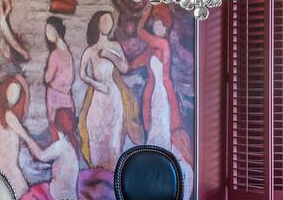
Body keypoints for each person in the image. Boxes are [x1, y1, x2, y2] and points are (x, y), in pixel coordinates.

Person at [78, 11, 127, 168]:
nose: (108, 23)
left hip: (113, 95)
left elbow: (124, 68)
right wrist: (96, 85)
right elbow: (82, 74)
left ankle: (112, 174)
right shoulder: (90, 50)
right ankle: (97, 173)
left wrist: (109, 55)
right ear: (97, 24)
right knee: (95, 132)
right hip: (99, 95)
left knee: (113, 140)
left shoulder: (115, 46)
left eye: (110, 20)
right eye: (104, 20)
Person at [131, 14, 182, 148]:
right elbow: (133, 64)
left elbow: (141, 33)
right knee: (152, 125)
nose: (158, 27)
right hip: (153, 92)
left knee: (163, 124)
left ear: (166, 28)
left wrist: (144, 17)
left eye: (161, 25)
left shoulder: (164, 44)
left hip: (163, 91)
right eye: (156, 24)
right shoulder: (150, 50)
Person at [0, 74, 30, 195]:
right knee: (24, 196)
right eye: (11, 92)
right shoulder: (9, 117)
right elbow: (28, 139)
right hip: (9, 170)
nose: (14, 97)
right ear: (4, 91)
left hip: (1, 167)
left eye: (17, 93)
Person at [43, 16, 75, 123]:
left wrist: (45, 71)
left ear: (56, 31)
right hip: (67, 97)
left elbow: (47, 78)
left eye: (49, 30)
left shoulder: (55, 54)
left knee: (55, 127)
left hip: (55, 98)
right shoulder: (67, 52)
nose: (47, 34)